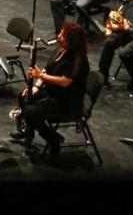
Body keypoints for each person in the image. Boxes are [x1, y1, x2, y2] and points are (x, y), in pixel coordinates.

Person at [10, 22, 90, 158]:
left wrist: (41, 76)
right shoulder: (61, 50)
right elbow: (47, 69)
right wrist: (35, 87)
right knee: (23, 97)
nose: (59, 37)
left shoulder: (78, 60)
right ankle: (28, 133)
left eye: (62, 35)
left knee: (30, 112)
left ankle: (53, 140)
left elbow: (65, 82)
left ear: (71, 40)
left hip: (67, 101)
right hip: (54, 93)